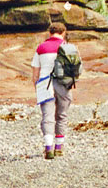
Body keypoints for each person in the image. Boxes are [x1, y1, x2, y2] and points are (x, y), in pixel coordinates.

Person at [31, 21, 79, 160]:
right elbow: (77, 68)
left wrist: (37, 86)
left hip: (45, 84)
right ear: (63, 33)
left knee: (48, 116)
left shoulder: (41, 47)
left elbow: (35, 72)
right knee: (62, 115)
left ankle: (48, 148)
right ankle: (59, 147)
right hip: (64, 84)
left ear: (49, 32)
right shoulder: (69, 47)